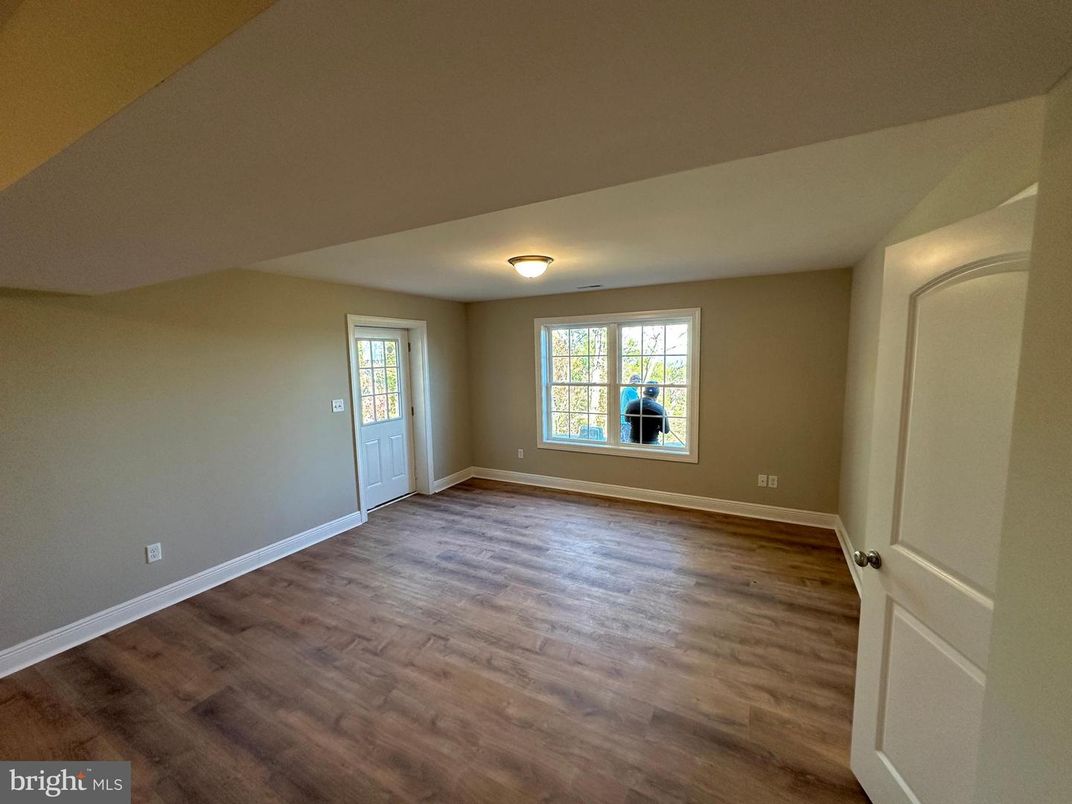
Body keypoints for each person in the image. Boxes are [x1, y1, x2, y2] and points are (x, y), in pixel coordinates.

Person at [620, 374, 641, 440]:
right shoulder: (631, 391)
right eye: (637, 381)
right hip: (628, 421)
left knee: (623, 440)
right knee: (628, 442)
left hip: (622, 419)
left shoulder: (624, 390)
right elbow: (636, 406)